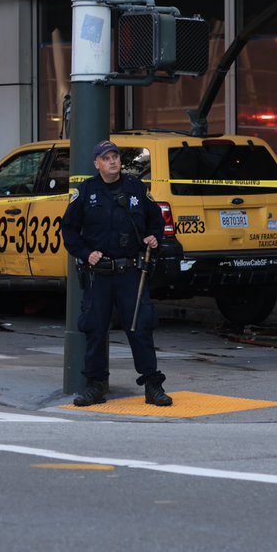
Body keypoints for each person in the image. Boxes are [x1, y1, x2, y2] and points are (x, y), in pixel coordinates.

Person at [62, 139, 173, 408]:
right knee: (95, 329)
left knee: (140, 326)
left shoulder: (136, 188)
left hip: (130, 272)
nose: (113, 161)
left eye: (115, 157)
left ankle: (152, 385)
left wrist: (153, 239)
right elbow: (69, 230)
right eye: (107, 158)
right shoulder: (86, 191)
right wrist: (86, 253)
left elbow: (156, 222)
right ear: (96, 164)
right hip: (98, 274)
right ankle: (95, 385)